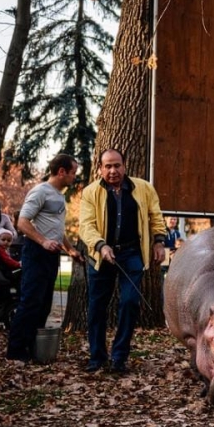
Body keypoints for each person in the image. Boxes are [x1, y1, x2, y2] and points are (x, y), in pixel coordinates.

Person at [79, 148, 167, 373]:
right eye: (107, 166)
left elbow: (156, 216)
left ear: (124, 166)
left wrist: (159, 242)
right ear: (100, 169)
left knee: (129, 302)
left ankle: (119, 357)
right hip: (101, 256)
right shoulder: (90, 192)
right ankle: (97, 358)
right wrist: (101, 245)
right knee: (97, 307)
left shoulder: (143, 188)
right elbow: (86, 226)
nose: (113, 171)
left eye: (117, 165)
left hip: (132, 254)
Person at [6, 154, 81, 362]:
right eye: (73, 172)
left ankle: (34, 349)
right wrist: (43, 241)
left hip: (51, 255)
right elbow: (22, 222)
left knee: (45, 304)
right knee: (31, 302)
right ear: (61, 171)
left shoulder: (59, 196)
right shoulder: (40, 192)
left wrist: (70, 249)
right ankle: (15, 351)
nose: (74, 176)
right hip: (36, 253)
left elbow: (57, 229)